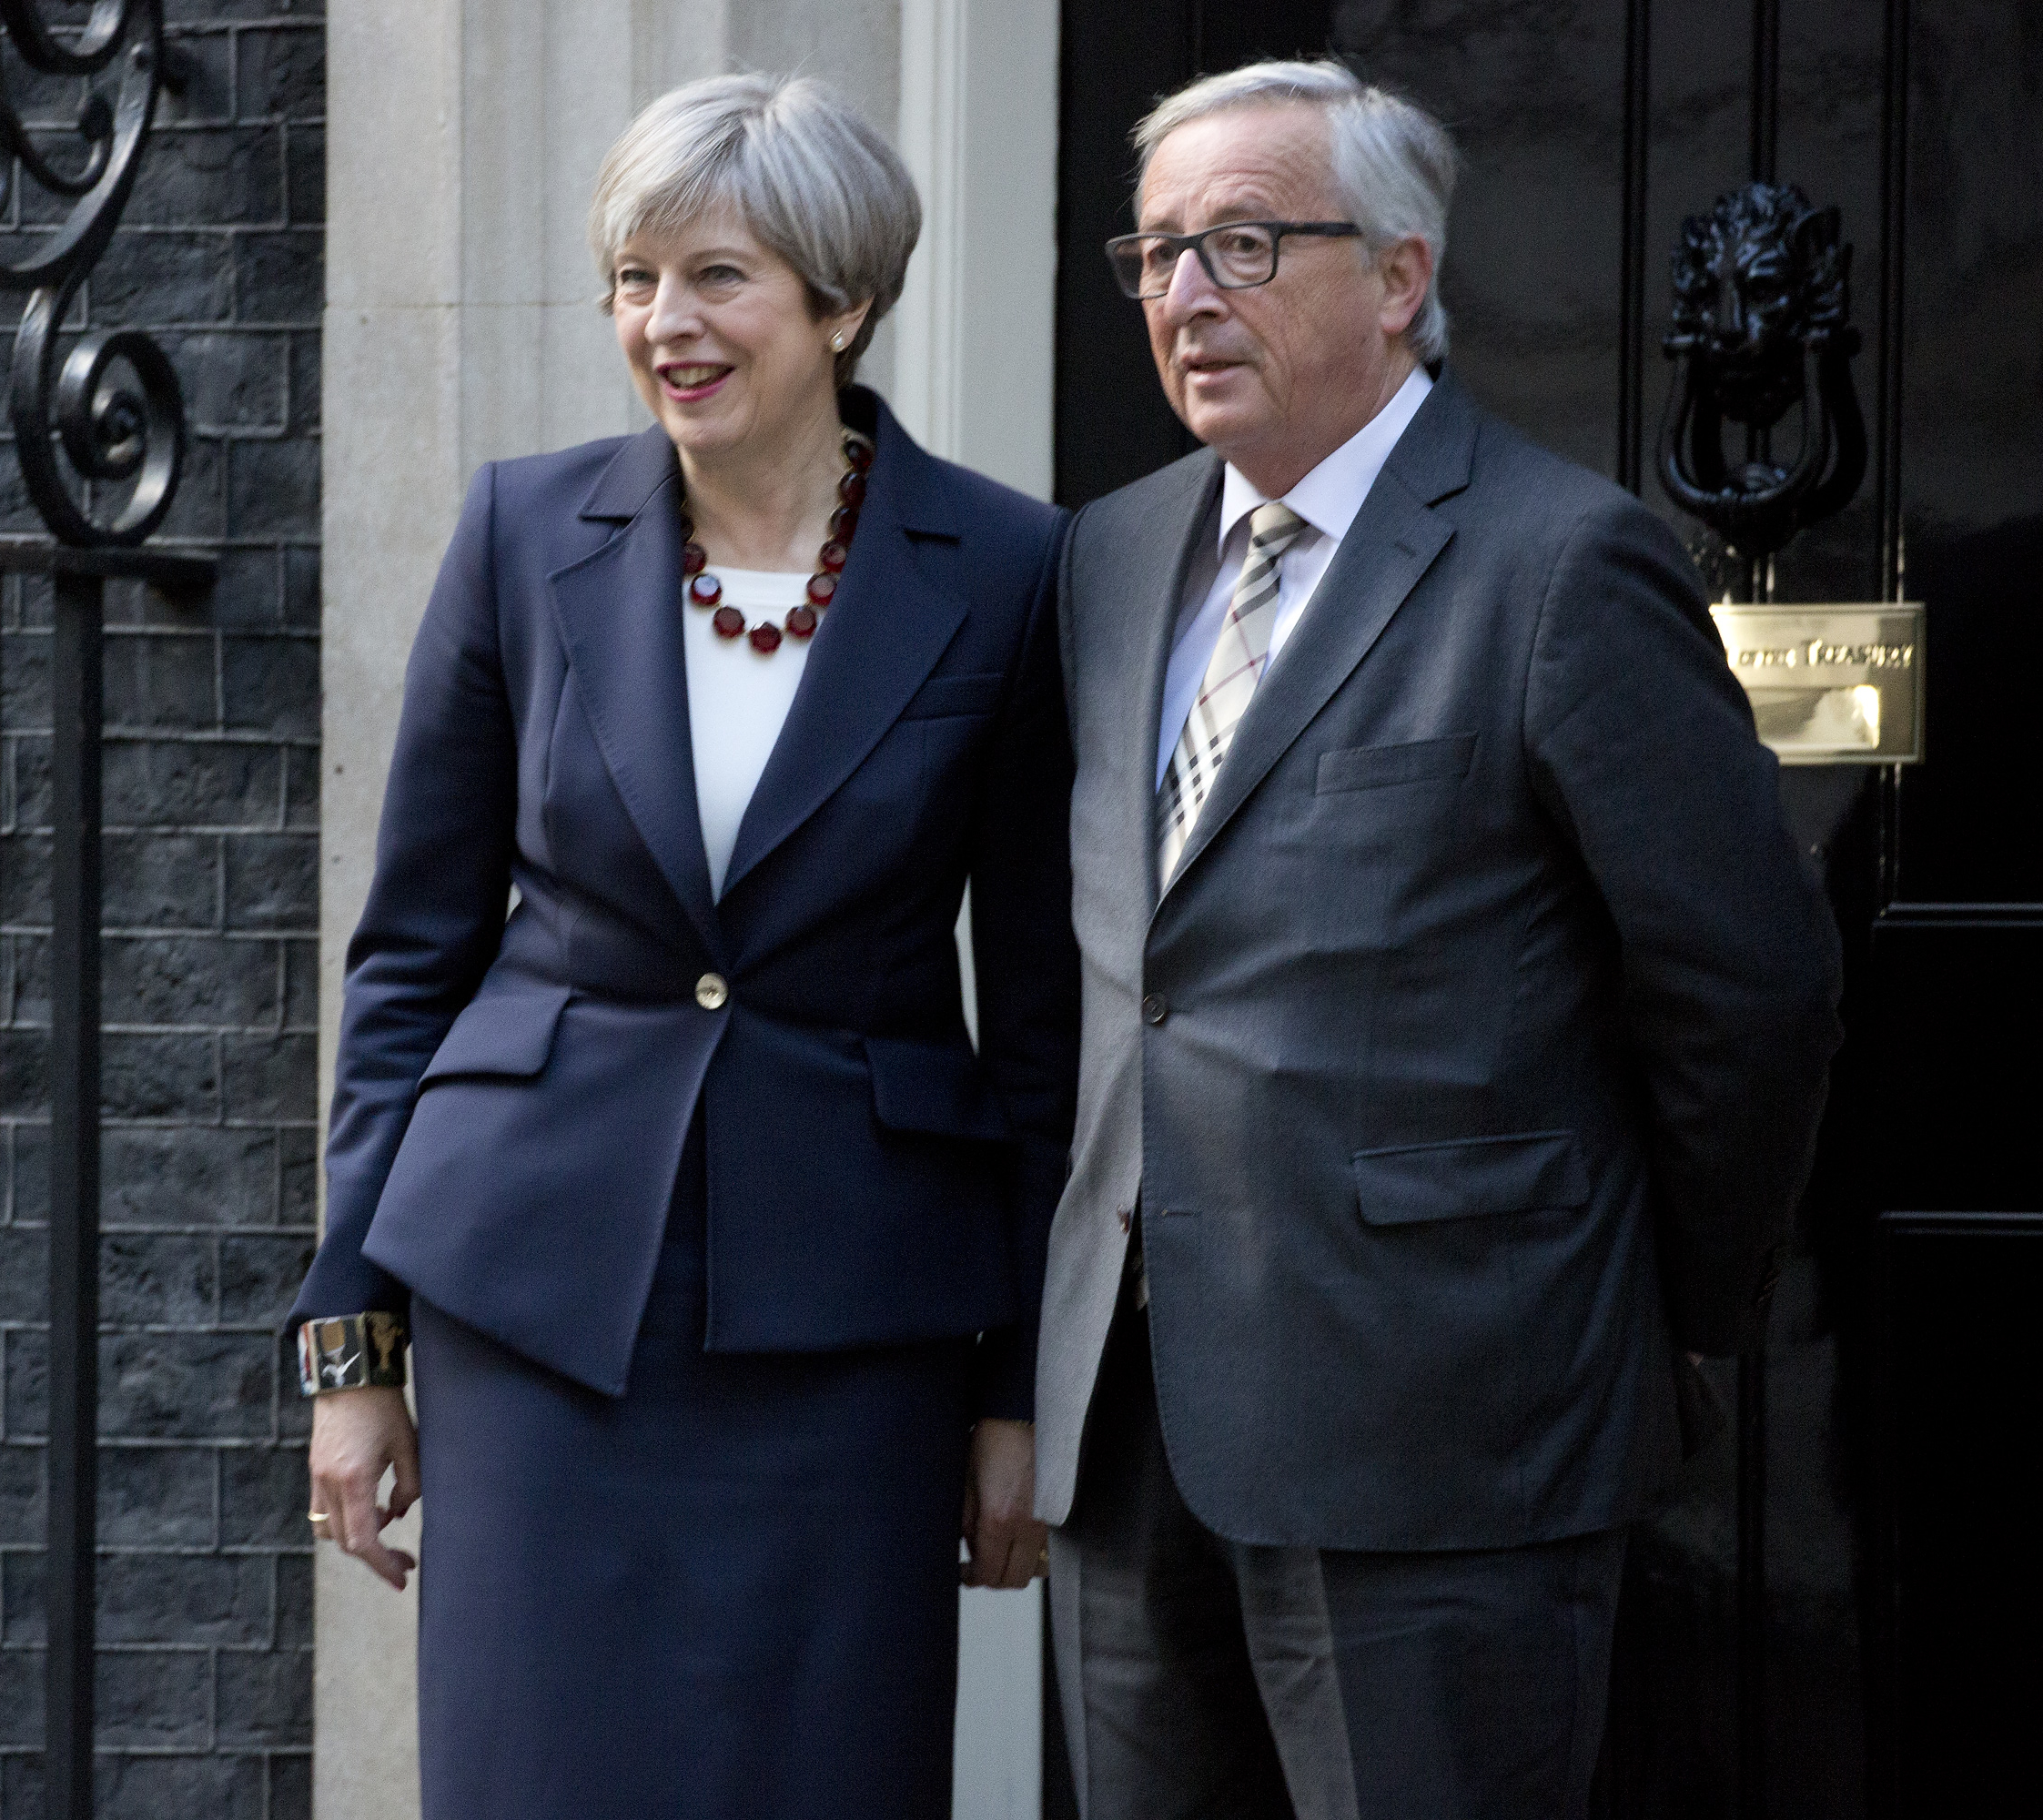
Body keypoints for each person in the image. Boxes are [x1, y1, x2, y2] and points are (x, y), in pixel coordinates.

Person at [1036, 58, 1842, 1819]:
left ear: (1401, 277)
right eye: (1156, 253)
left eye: (1243, 245)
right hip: (1129, 1431)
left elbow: (1748, 994)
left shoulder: (1564, 565)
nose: (1182, 298)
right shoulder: (1106, 560)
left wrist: (1668, 1312)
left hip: (1446, 1429)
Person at [288, 72, 1077, 1820]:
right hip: (534, 1308)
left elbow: (1040, 1016)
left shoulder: (1013, 571)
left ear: (843, 300)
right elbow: (410, 956)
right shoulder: (518, 531)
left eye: (716, 277)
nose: (665, 325)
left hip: (850, 1331)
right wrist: (351, 1349)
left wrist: (1017, 1391)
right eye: (634, 280)